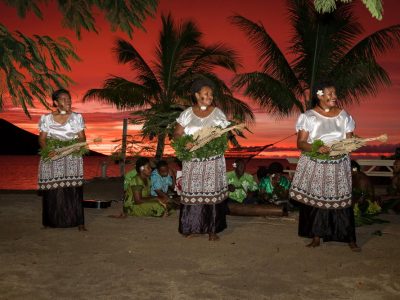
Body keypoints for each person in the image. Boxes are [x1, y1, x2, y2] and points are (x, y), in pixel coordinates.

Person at [289, 80, 360, 251]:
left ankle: (349, 238)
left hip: (338, 164)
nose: (335, 97)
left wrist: (352, 143)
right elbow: (301, 143)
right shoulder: (308, 117)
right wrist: (316, 147)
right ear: (319, 95)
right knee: (317, 202)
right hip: (317, 164)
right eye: (330, 94)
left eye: (335, 93)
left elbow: (349, 139)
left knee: (342, 201)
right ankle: (316, 236)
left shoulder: (344, 116)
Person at [174, 78, 230, 241]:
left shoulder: (218, 113)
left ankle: (212, 229)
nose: (210, 96)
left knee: (211, 193)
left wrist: (213, 140)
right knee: (193, 192)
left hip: (213, 161)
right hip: (193, 160)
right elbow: (177, 134)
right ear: (197, 95)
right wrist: (185, 142)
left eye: (212, 94)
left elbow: (225, 134)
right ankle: (191, 226)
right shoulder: (186, 114)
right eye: (207, 93)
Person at [38, 89, 87, 231]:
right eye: (64, 99)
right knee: (52, 189)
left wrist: (74, 148)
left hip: (72, 155)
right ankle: (49, 221)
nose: (68, 101)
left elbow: (82, 138)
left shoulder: (77, 117)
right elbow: (42, 139)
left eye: (69, 99)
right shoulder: (46, 118)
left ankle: (79, 223)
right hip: (52, 154)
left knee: (74, 189)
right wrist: (49, 152)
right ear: (56, 102)